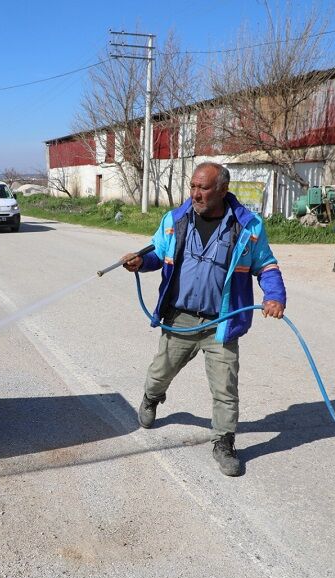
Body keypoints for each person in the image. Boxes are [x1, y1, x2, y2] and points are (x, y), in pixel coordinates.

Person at [121, 162, 286, 477]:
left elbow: (266, 265)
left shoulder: (248, 226)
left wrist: (274, 296)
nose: (195, 193)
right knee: (160, 372)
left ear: (223, 189)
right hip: (180, 318)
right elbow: (158, 254)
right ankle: (151, 397)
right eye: (193, 186)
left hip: (221, 324)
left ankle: (223, 442)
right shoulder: (175, 220)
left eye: (203, 188)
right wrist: (141, 261)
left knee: (225, 388)